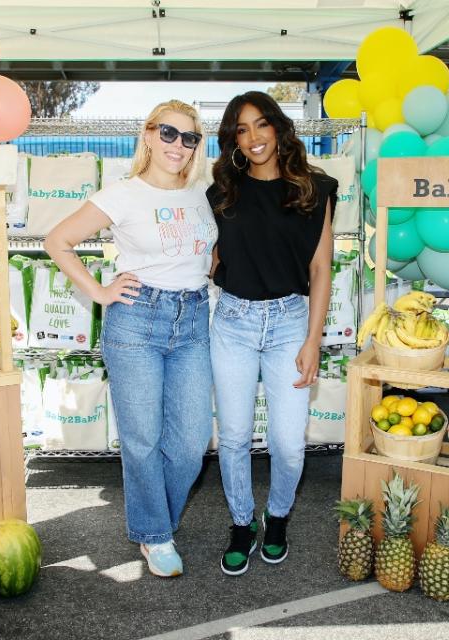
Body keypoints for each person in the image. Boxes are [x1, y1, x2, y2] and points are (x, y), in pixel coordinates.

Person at [45, 100, 217, 578]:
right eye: (168, 133)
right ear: (147, 135)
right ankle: (156, 534)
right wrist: (100, 292)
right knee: (142, 439)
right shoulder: (122, 194)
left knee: (191, 441)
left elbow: (212, 252)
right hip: (137, 321)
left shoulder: (203, 193)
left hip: (193, 318)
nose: (177, 146)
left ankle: (151, 520)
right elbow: (57, 240)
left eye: (189, 138)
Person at [207, 91, 336, 576]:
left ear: (279, 128)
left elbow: (321, 267)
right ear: (233, 139)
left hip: (289, 324)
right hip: (234, 323)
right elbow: (212, 254)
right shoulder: (223, 191)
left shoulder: (314, 188)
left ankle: (277, 516)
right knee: (235, 437)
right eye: (242, 129)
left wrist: (313, 340)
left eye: (261, 125)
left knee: (288, 443)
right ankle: (242, 524)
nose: (254, 137)